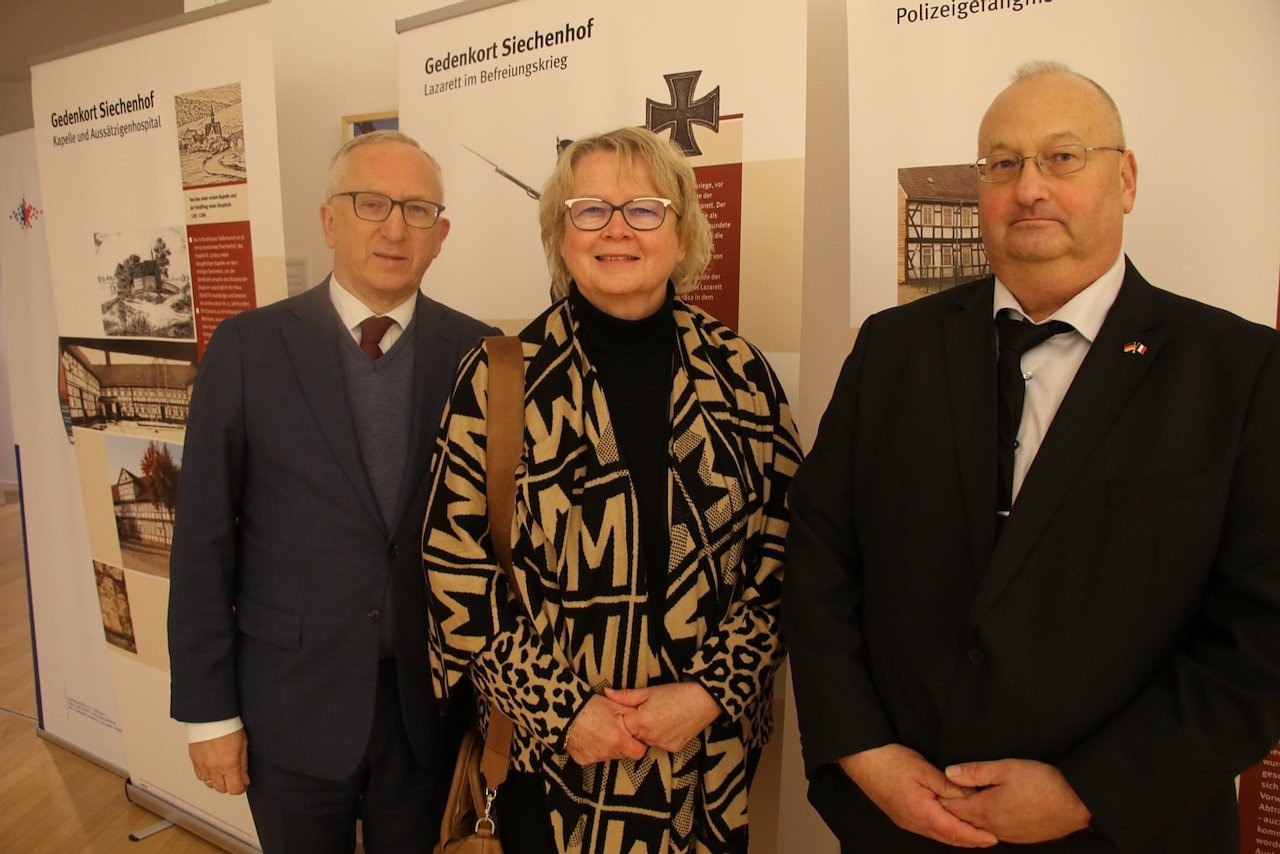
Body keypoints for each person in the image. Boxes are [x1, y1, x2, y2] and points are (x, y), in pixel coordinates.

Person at [783, 62, 1280, 853]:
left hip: (1129, 832)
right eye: (1003, 163)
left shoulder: (1242, 371)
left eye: (1063, 157)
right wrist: (863, 751)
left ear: (1127, 178)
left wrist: (1089, 793)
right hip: (904, 825)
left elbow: (1263, 636)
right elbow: (819, 558)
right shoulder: (892, 349)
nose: (1029, 188)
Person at [421, 127, 802, 853]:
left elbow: (788, 555)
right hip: (549, 765)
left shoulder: (742, 376)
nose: (617, 229)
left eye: (644, 209)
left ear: (682, 234)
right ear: (560, 236)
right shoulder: (498, 377)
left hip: (706, 764)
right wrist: (564, 712)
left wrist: (710, 692)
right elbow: (455, 569)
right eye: (590, 209)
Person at [168, 130, 498, 853]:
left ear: (440, 236)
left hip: (428, 712)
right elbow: (201, 541)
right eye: (370, 203)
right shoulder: (248, 348)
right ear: (328, 221)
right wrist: (208, 714)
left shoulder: (483, 355)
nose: (394, 228)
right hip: (289, 704)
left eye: (417, 210)